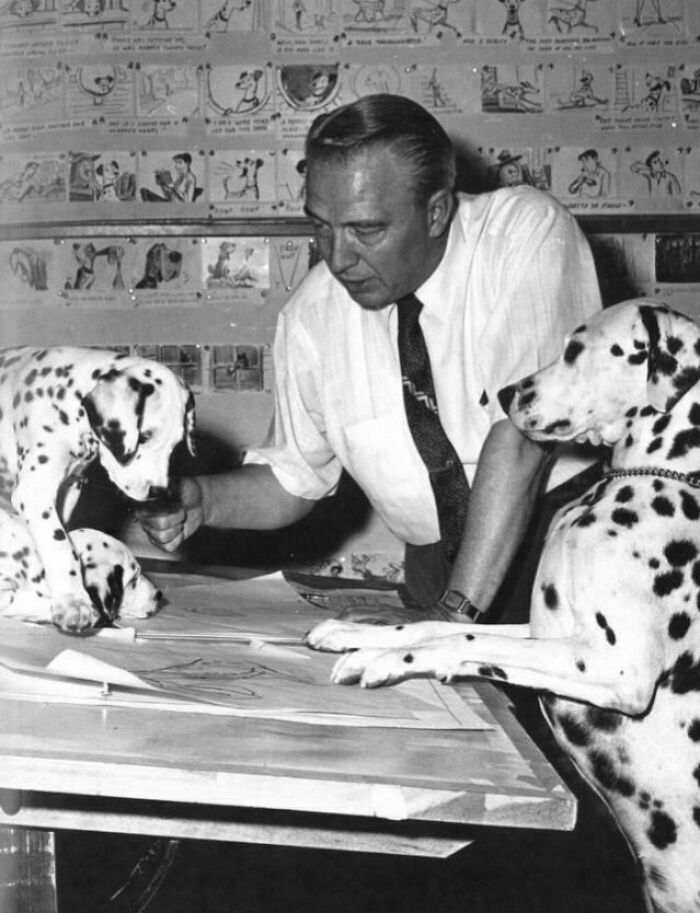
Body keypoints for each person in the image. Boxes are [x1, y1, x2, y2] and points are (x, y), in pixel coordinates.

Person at [139, 94, 602, 624]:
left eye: (366, 230)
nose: (337, 258)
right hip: (438, 571)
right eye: (321, 226)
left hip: (568, 547)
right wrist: (205, 500)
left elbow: (522, 440)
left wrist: (450, 621)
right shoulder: (312, 315)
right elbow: (294, 478)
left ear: (436, 212)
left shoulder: (523, 235)